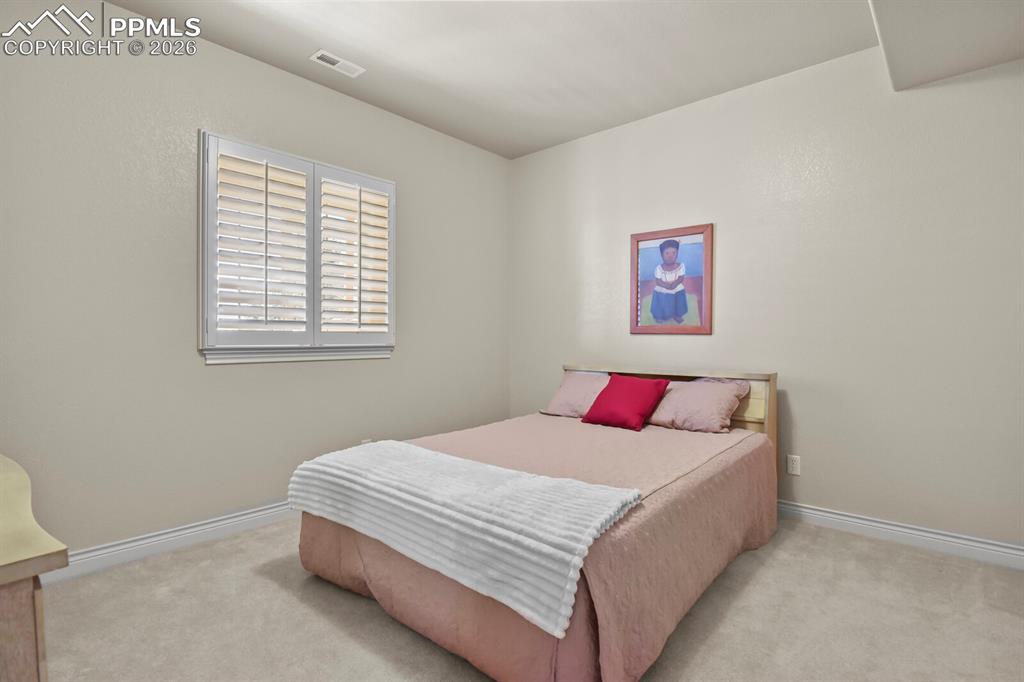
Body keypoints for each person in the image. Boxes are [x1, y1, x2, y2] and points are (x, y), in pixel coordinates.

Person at [650, 239, 688, 324]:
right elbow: (658, 281)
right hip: (663, 288)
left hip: (676, 287)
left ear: (677, 254)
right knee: (662, 302)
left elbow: (681, 277)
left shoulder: (680, 266)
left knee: (679, 300)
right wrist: (666, 286)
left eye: (674, 253)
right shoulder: (659, 268)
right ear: (662, 255)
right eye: (667, 253)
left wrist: (675, 284)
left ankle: (677, 315)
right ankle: (660, 316)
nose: (670, 256)